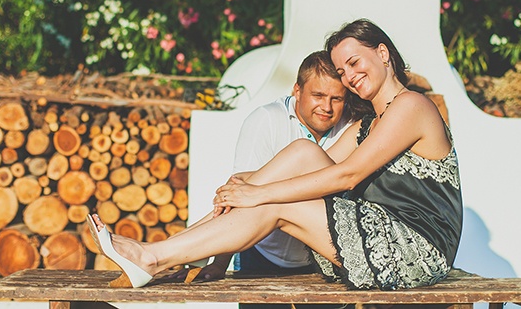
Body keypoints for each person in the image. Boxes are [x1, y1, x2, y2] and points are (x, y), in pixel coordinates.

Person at [88, 18, 463, 290]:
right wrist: (247, 184)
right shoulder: (367, 125)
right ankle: (182, 247)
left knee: (272, 200)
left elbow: (346, 175)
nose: (349, 77)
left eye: (354, 63)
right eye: (341, 70)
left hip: (413, 248)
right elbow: (307, 167)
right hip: (373, 234)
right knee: (298, 152)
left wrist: (259, 193)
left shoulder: (412, 105)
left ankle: (154, 257)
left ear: (382, 53)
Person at [196, 50, 353, 287]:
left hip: (322, 260)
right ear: (297, 91)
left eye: (336, 99)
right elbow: (240, 193)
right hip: (260, 252)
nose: (326, 107)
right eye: (318, 95)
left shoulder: (350, 128)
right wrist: (219, 263)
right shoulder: (265, 120)